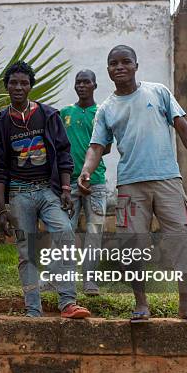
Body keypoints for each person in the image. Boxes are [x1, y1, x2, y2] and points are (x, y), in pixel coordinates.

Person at [78, 45, 187, 324]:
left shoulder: (159, 92)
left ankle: (186, 306)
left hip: (168, 180)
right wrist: (85, 171)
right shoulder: (106, 108)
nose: (120, 67)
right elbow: (96, 146)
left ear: (136, 65)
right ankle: (141, 305)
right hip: (130, 185)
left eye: (125, 62)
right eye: (114, 63)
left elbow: (184, 128)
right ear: (108, 71)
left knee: (182, 239)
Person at [0, 61, 91, 319]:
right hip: (19, 194)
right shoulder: (2, 121)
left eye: (24, 83)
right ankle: (32, 309)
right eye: (13, 82)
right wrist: (2, 208)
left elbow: (64, 152)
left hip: (48, 191)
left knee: (65, 234)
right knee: (26, 253)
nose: (18, 87)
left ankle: (68, 302)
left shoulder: (48, 115)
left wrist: (66, 188)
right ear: (6, 86)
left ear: (31, 86)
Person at [60, 69, 110, 296]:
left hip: (95, 184)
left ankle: (90, 281)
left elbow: (105, 147)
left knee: (94, 233)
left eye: (86, 82)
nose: (82, 86)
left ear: (95, 86)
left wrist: (87, 169)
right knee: (64, 231)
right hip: (68, 184)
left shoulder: (101, 113)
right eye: (78, 82)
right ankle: (59, 279)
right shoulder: (65, 113)